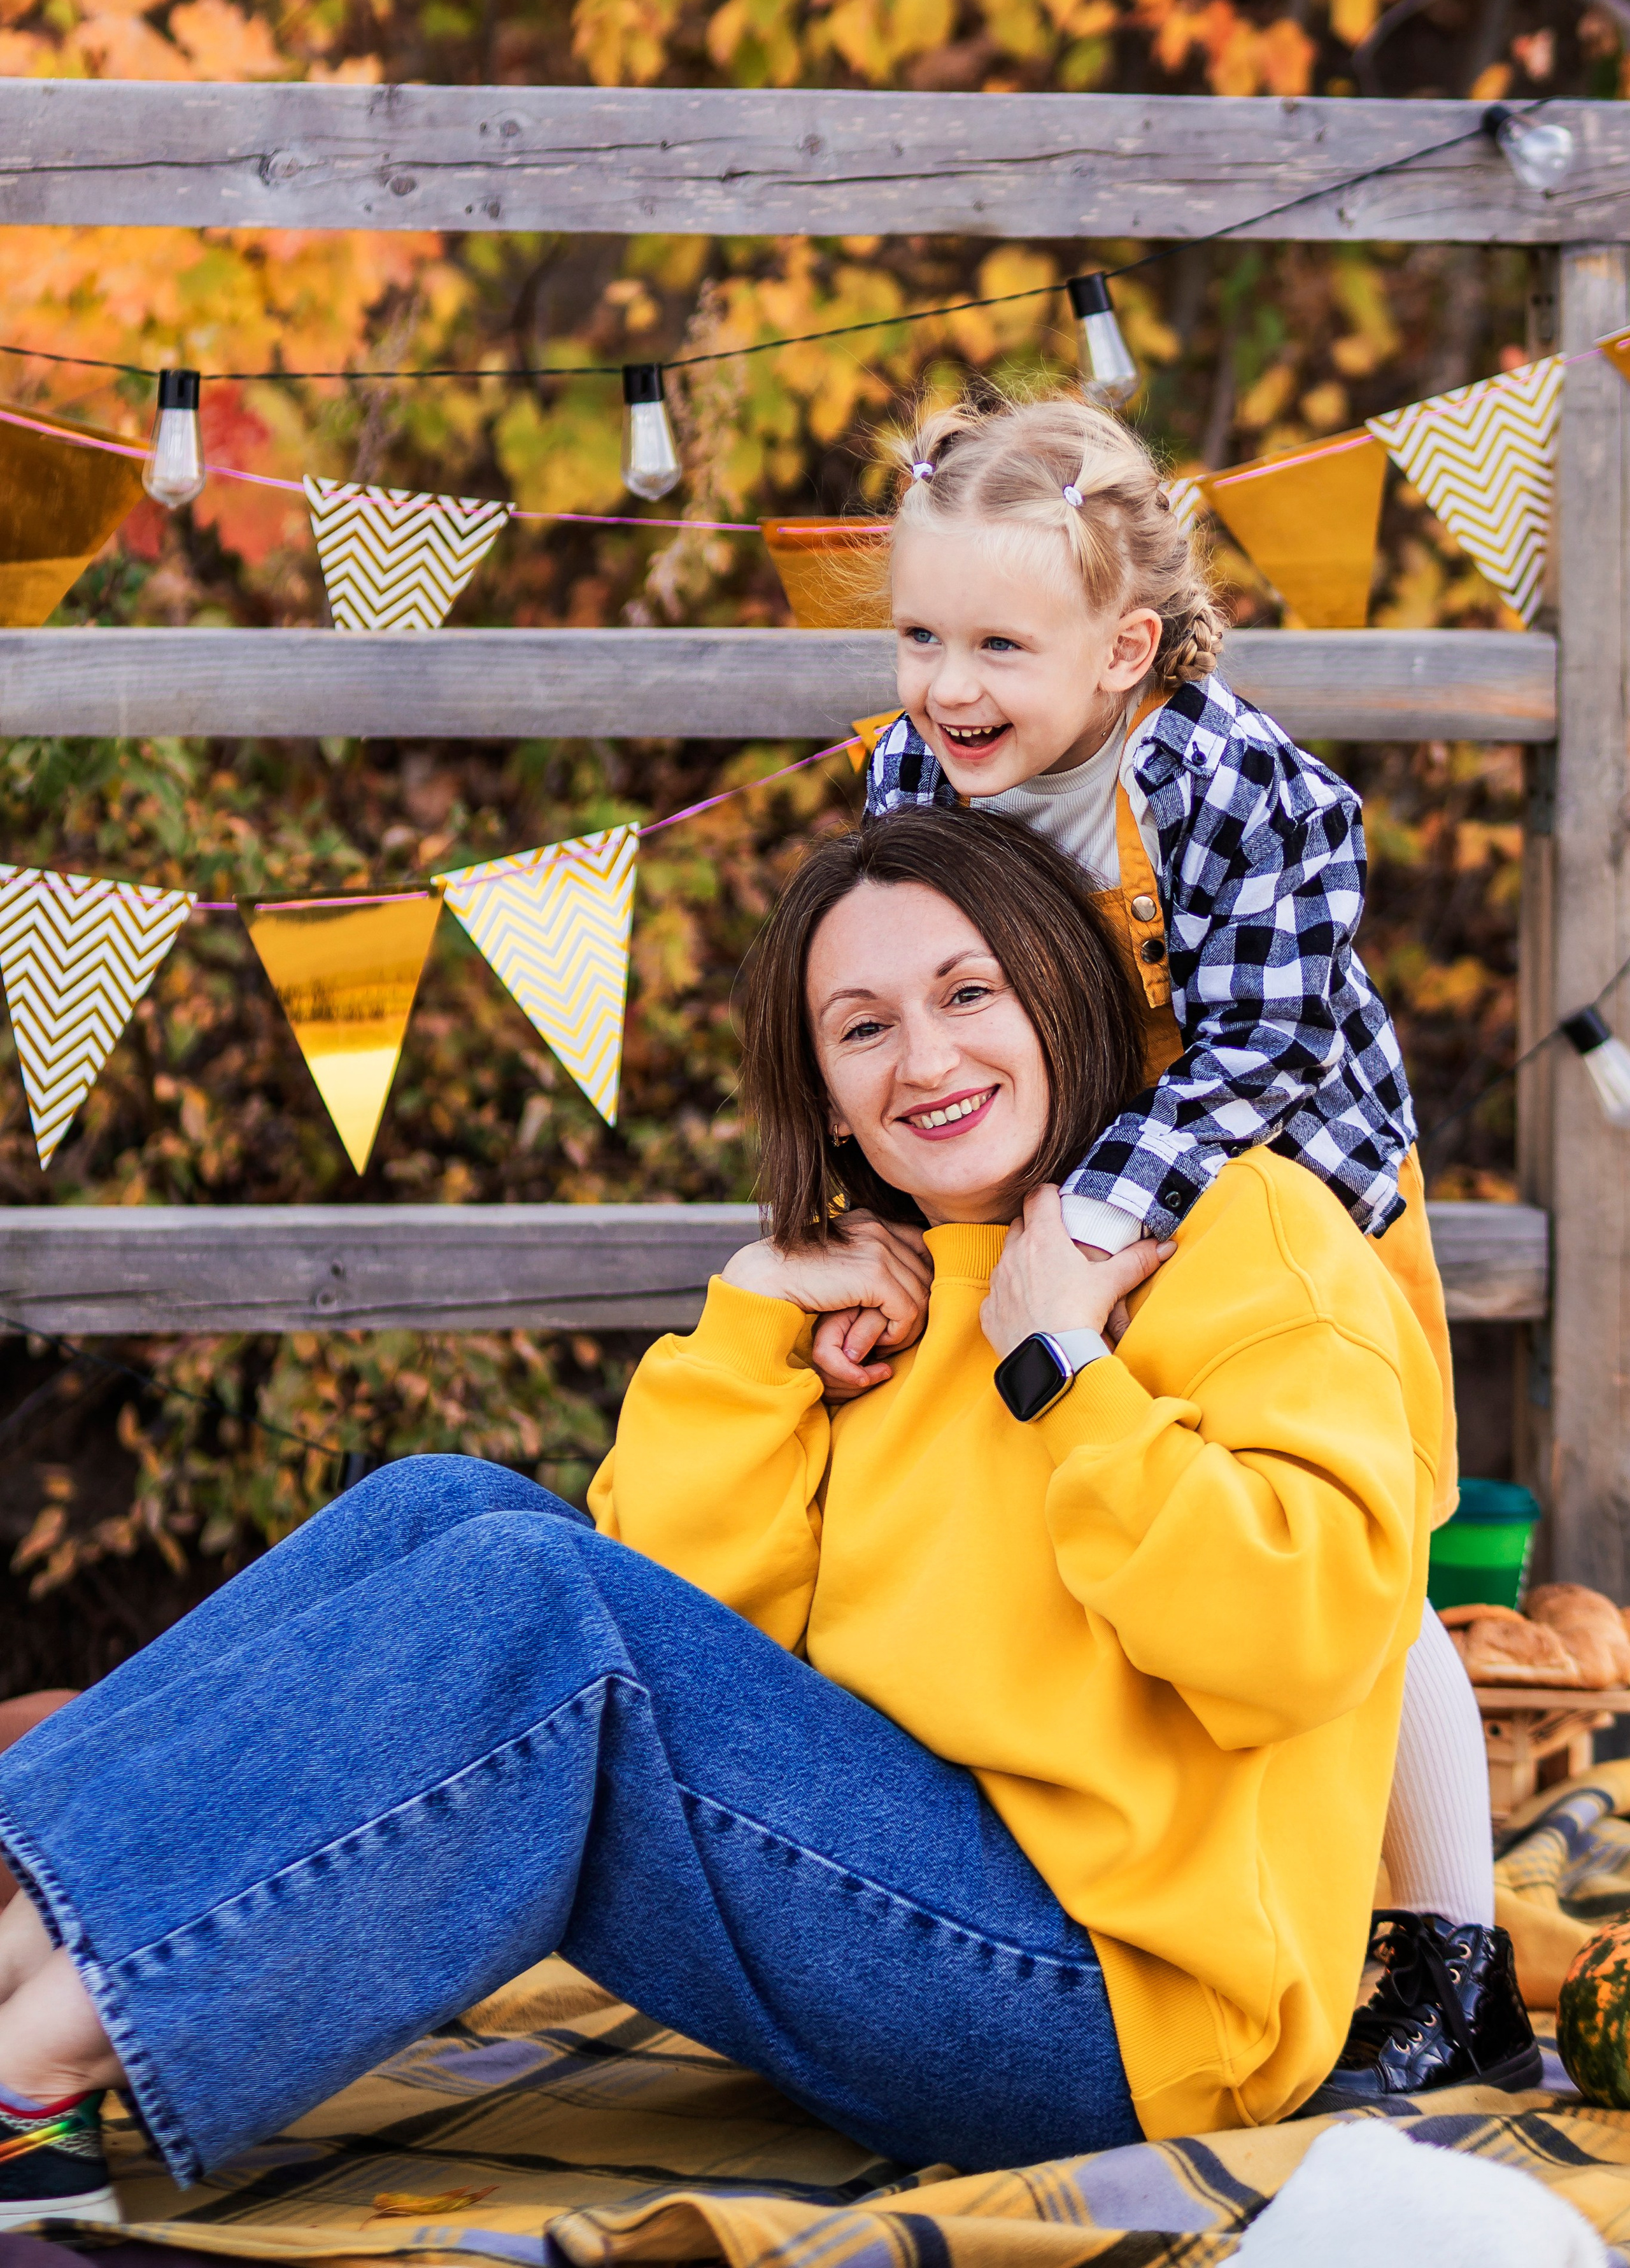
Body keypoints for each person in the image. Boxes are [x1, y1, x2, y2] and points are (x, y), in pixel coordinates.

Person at [0, 810, 1522, 2230]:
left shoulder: (1241, 1228)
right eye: (860, 1029)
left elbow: (1304, 1637)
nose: (919, 1056)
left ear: (1059, 995)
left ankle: (38, 2071)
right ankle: (14, 1932)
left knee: (527, 1590)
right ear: (829, 1097)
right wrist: (748, 1334)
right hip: (884, 1905)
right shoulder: (892, 1293)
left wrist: (1062, 1363)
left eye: (966, 993)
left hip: (1122, 2006)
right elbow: (671, 1635)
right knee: (443, 1508)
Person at [814, 392, 1523, 2101]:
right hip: (1075, 1212)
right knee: (1118, 1516)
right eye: (921, 635)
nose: (949, 684)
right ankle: (1123, 1870)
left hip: (1278, 1207)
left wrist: (1112, 1215)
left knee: (1365, 1576)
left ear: (1126, 644)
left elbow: (1268, 1048)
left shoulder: (1239, 786)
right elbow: (908, 995)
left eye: (999, 640)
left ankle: (1452, 1953)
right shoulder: (917, 771)